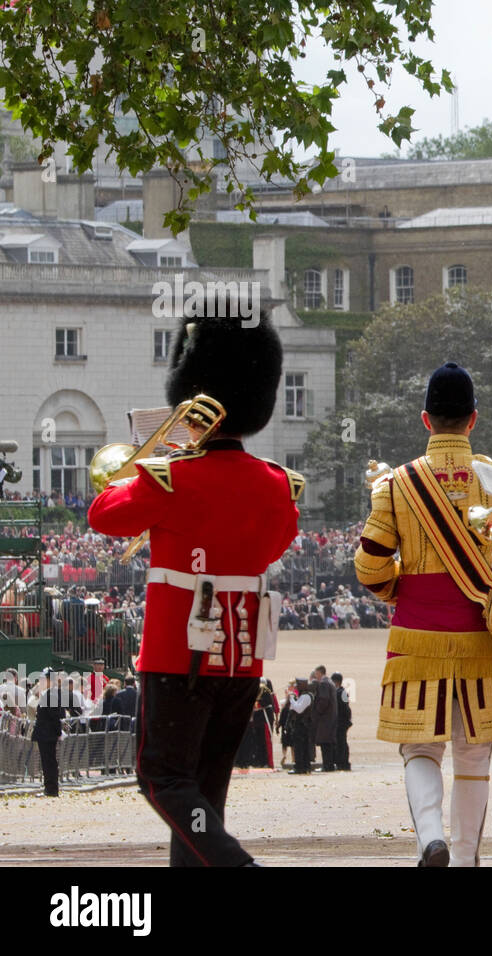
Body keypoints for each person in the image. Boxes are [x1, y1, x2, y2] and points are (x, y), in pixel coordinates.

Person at [86, 298, 303, 866]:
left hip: (175, 656)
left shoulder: (170, 477)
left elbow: (102, 514)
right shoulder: (278, 484)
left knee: (162, 778)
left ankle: (238, 863)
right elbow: (275, 544)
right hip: (243, 661)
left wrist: (149, 457)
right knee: (207, 793)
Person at [355, 362, 492, 867]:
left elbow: (369, 566)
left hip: (416, 635)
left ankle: (430, 837)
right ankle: (463, 855)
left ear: (425, 419)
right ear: (473, 420)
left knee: (420, 750)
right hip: (482, 637)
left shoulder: (395, 485)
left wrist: (400, 590)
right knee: (474, 755)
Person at [33, 673, 83, 797]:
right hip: (48, 732)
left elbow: (54, 715)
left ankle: (51, 789)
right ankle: (50, 788)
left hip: (47, 733)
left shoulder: (52, 694)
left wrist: (58, 731)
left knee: (48, 761)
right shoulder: (52, 694)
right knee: (49, 761)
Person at [311, 665, 337, 771]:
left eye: (316, 674)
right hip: (330, 717)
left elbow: (324, 700)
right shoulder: (330, 683)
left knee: (325, 743)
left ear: (319, 673)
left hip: (324, 719)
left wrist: (317, 711)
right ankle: (328, 765)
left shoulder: (324, 683)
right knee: (328, 743)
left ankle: (327, 765)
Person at [288, 678, 314, 773]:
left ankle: (300, 767)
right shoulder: (302, 696)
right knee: (301, 746)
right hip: (300, 725)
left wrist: (291, 698)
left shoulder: (306, 697)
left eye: (298, 685)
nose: (296, 687)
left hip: (303, 726)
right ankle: (304, 766)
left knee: (300, 747)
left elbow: (298, 709)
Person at [332, 673, 352, 771]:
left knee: (341, 742)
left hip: (341, 721)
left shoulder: (341, 692)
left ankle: (342, 762)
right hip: (343, 720)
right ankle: (343, 762)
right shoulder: (342, 692)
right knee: (342, 742)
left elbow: (345, 707)